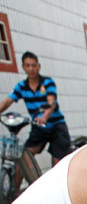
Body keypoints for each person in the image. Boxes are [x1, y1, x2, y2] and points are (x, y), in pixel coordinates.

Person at [0, 51, 71, 193]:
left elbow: (51, 103)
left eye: (34, 65)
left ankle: (59, 192)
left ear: (39, 67)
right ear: (23, 67)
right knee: (23, 157)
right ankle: (15, 195)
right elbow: (8, 101)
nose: (31, 69)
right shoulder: (22, 86)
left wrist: (44, 117)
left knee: (58, 163)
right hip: (39, 128)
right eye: (28, 66)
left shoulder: (48, 83)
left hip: (56, 127)